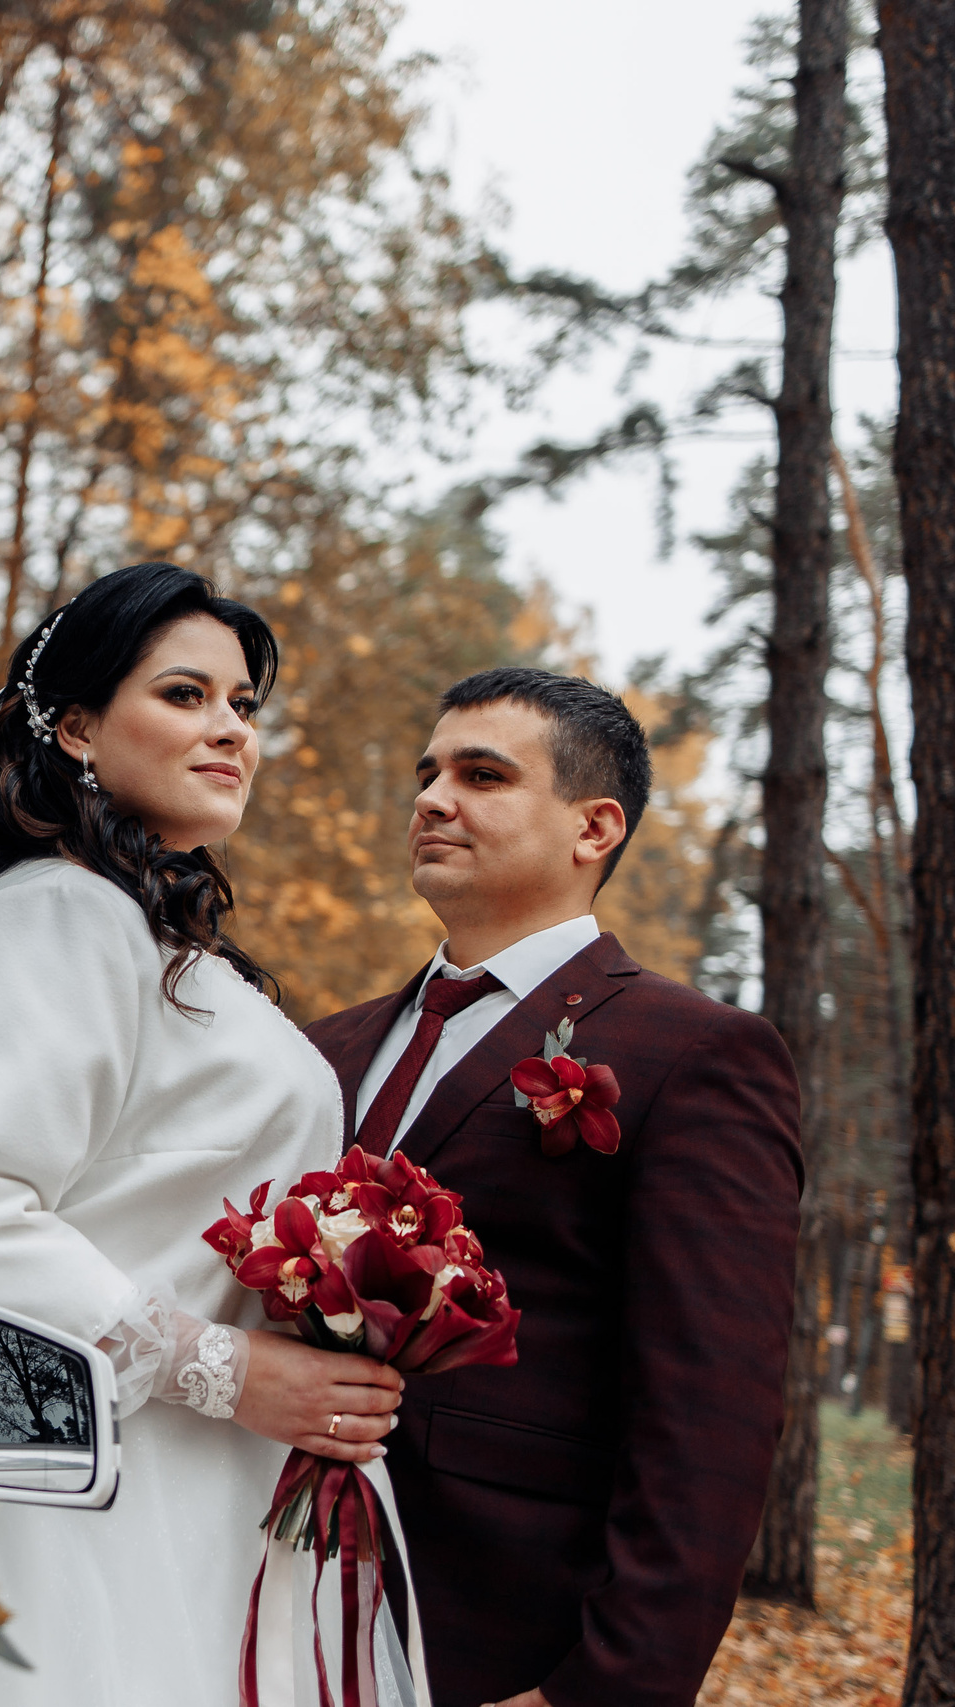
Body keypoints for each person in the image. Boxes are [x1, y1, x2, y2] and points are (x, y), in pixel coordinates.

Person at [0, 562, 408, 1707]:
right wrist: (227, 1369)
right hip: (92, 1512)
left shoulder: (148, 940)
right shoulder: (60, 917)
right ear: (76, 728)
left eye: (243, 705)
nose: (230, 730)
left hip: (180, 1500)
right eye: (184, 695)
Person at [303, 668, 802, 1707]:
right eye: (427, 774)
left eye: (481, 775)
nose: (432, 799)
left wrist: (598, 1691)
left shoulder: (695, 1054)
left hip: (497, 1635)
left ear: (594, 827)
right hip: (263, 1603)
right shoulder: (318, 1051)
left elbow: (709, 1419)